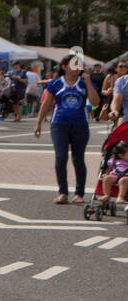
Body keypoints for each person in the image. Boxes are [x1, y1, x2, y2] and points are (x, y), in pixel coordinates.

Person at [34, 53, 99, 204]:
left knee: (78, 159)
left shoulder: (84, 83)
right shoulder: (55, 83)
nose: (77, 68)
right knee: (61, 157)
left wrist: (88, 83)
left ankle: (79, 193)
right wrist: (38, 122)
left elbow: (95, 102)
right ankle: (63, 192)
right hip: (59, 125)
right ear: (64, 67)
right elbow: (46, 103)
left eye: (79, 65)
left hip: (80, 125)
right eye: (73, 64)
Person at [97, 140, 128, 208]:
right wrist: (106, 173)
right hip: (115, 175)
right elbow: (109, 168)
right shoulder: (114, 161)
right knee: (107, 179)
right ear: (121, 155)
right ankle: (106, 195)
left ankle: (120, 197)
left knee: (123, 180)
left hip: (126, 178)